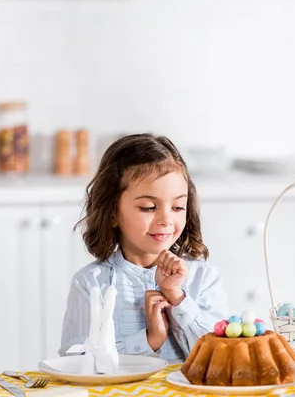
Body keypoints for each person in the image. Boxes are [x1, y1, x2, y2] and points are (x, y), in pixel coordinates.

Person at [59, 133, 229, 363]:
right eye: (149, 207)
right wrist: (149, 340)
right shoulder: (90, 284)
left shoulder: (203, 278)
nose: (166, 219)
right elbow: (74, 361)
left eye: (178, 207)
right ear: (112, 212)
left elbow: (221, 357)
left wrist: (178, 299)